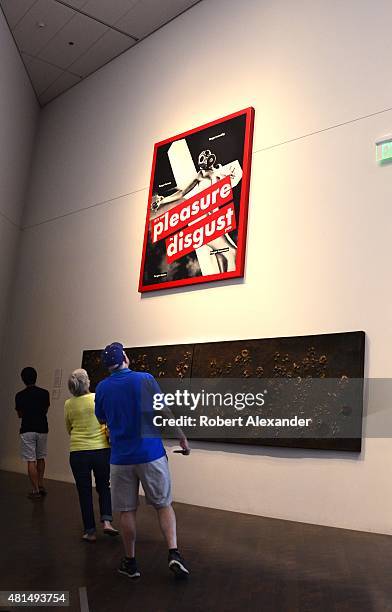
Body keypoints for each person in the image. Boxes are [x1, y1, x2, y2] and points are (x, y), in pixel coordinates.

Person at [95, 342, 191, 580]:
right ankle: (174, 554)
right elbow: (164, 411)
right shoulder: (144, 379)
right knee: (163, 505)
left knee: (126, 511)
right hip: (151, 454)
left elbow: (102, 418)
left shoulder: (102, 388)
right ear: (125, 358)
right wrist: (181, 437)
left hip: (120, 459)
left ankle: (130, 562)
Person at [65, 368, 119, 542]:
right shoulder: (97, 398)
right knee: (104, 485)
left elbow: (69, 428)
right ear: (87, 382)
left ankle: (89, 531)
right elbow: (107, 421)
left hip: (78, 452)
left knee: (84, 491)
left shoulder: (68, 404)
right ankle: (107, 522)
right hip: (101, 450)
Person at [15, 367, 50, 499]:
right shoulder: (44, 393)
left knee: (31, 460)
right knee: (41, 457)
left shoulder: (19, 395)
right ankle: (41, 484)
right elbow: (45, 409)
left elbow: (19, 414)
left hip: (27, 429)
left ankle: (35, 490)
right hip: (42, 428)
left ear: (23, 379)